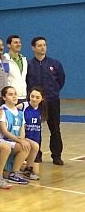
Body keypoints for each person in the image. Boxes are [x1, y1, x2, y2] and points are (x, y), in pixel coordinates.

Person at [26, 36, 65, 165]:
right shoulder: (28, 65)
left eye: (44, 45)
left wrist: (53, 92)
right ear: (33, 48)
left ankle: (57, 156)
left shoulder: (55, 64)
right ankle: (36, 155)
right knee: (34, 129)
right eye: (39, 45)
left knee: (55, 128)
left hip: (52, 100)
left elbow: (61, 80)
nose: (43, 47)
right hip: (35, 103)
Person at [0, 86, 33, 185]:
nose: (14, 96)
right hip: (3, 140)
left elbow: (22, 130)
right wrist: (19, 141)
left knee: (29, 145)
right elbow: (4, 132)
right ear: (4, 97)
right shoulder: (1, 111)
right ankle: (14, 174)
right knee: (24, 146)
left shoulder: (20, 112)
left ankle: (18, 170)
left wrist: (22, 138)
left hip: (14, 141)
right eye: (10, 94)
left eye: (15, 94)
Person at [19, 86, 46, 180]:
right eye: (32, 96)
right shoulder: (23, 106)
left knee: (36, 171)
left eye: (37, 97)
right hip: (24, 138)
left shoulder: (42, 109)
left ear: (42, 98)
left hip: (35, 139)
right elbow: (11, 110)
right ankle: (19, 166)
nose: (34, 99)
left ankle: (24, 167)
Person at [4, 35, 27, 102]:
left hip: (23, 96)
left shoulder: (24, 60)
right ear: (8, 45)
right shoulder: (4, 60)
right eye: (16, 42)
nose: (18, 44)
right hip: (10, 97)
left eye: (19, 42)